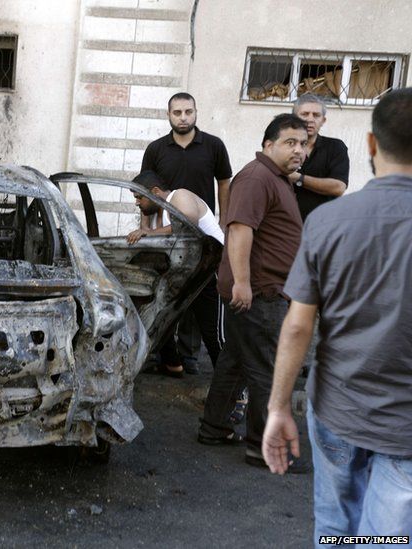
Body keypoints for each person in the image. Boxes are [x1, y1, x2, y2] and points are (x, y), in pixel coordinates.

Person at [263, 89, 412, 540]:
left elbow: (298, 326)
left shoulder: (328, 222)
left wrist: (278, 406)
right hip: (406, 427)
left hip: (337, 408)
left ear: (370, 145)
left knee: (337, 526)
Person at [198, 114, 310, 472]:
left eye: (303, 144)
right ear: (268, 145)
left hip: (262, 290)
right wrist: (243, 282)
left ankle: (213, 428)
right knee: (267, 369)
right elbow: (240, 229)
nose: (299, 150)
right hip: (259, 292)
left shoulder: (275, 179)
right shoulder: (257, 176)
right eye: (290, 142)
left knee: (236, 363)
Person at [141, 93, 233, 374]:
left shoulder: (213, 146)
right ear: (168, 115)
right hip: (172, 239)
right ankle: (169, 357)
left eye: (188, 111)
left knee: (201, 302)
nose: (183, 117)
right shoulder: (156, 149)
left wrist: (226, 223)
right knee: (170, 296)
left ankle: (191, 356)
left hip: (202, 239)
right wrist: (148, 231)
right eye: (177, 112)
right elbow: (148, 192)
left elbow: (224, 183)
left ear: (196, 112)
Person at [127, 170, 224, 377]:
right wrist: (146, 227)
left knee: (213, 334)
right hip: (191, 273)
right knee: (159, 313)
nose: (137, 203)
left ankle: (234, 392)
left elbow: (187, 222)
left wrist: (150, 232)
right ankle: (173, 364)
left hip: (213, 271)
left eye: (139, 197)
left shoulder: (179, 196)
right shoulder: (159, 213)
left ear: (155, 191)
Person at [290, 93, 349, 221]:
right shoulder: (283, 146)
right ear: (294, 118)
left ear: (323, 120)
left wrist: (298, 178)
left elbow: (338, 187)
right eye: (305, 114)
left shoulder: (335, 147)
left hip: (324, 227)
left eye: (316, 115)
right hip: (286, 228)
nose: (310, 119)